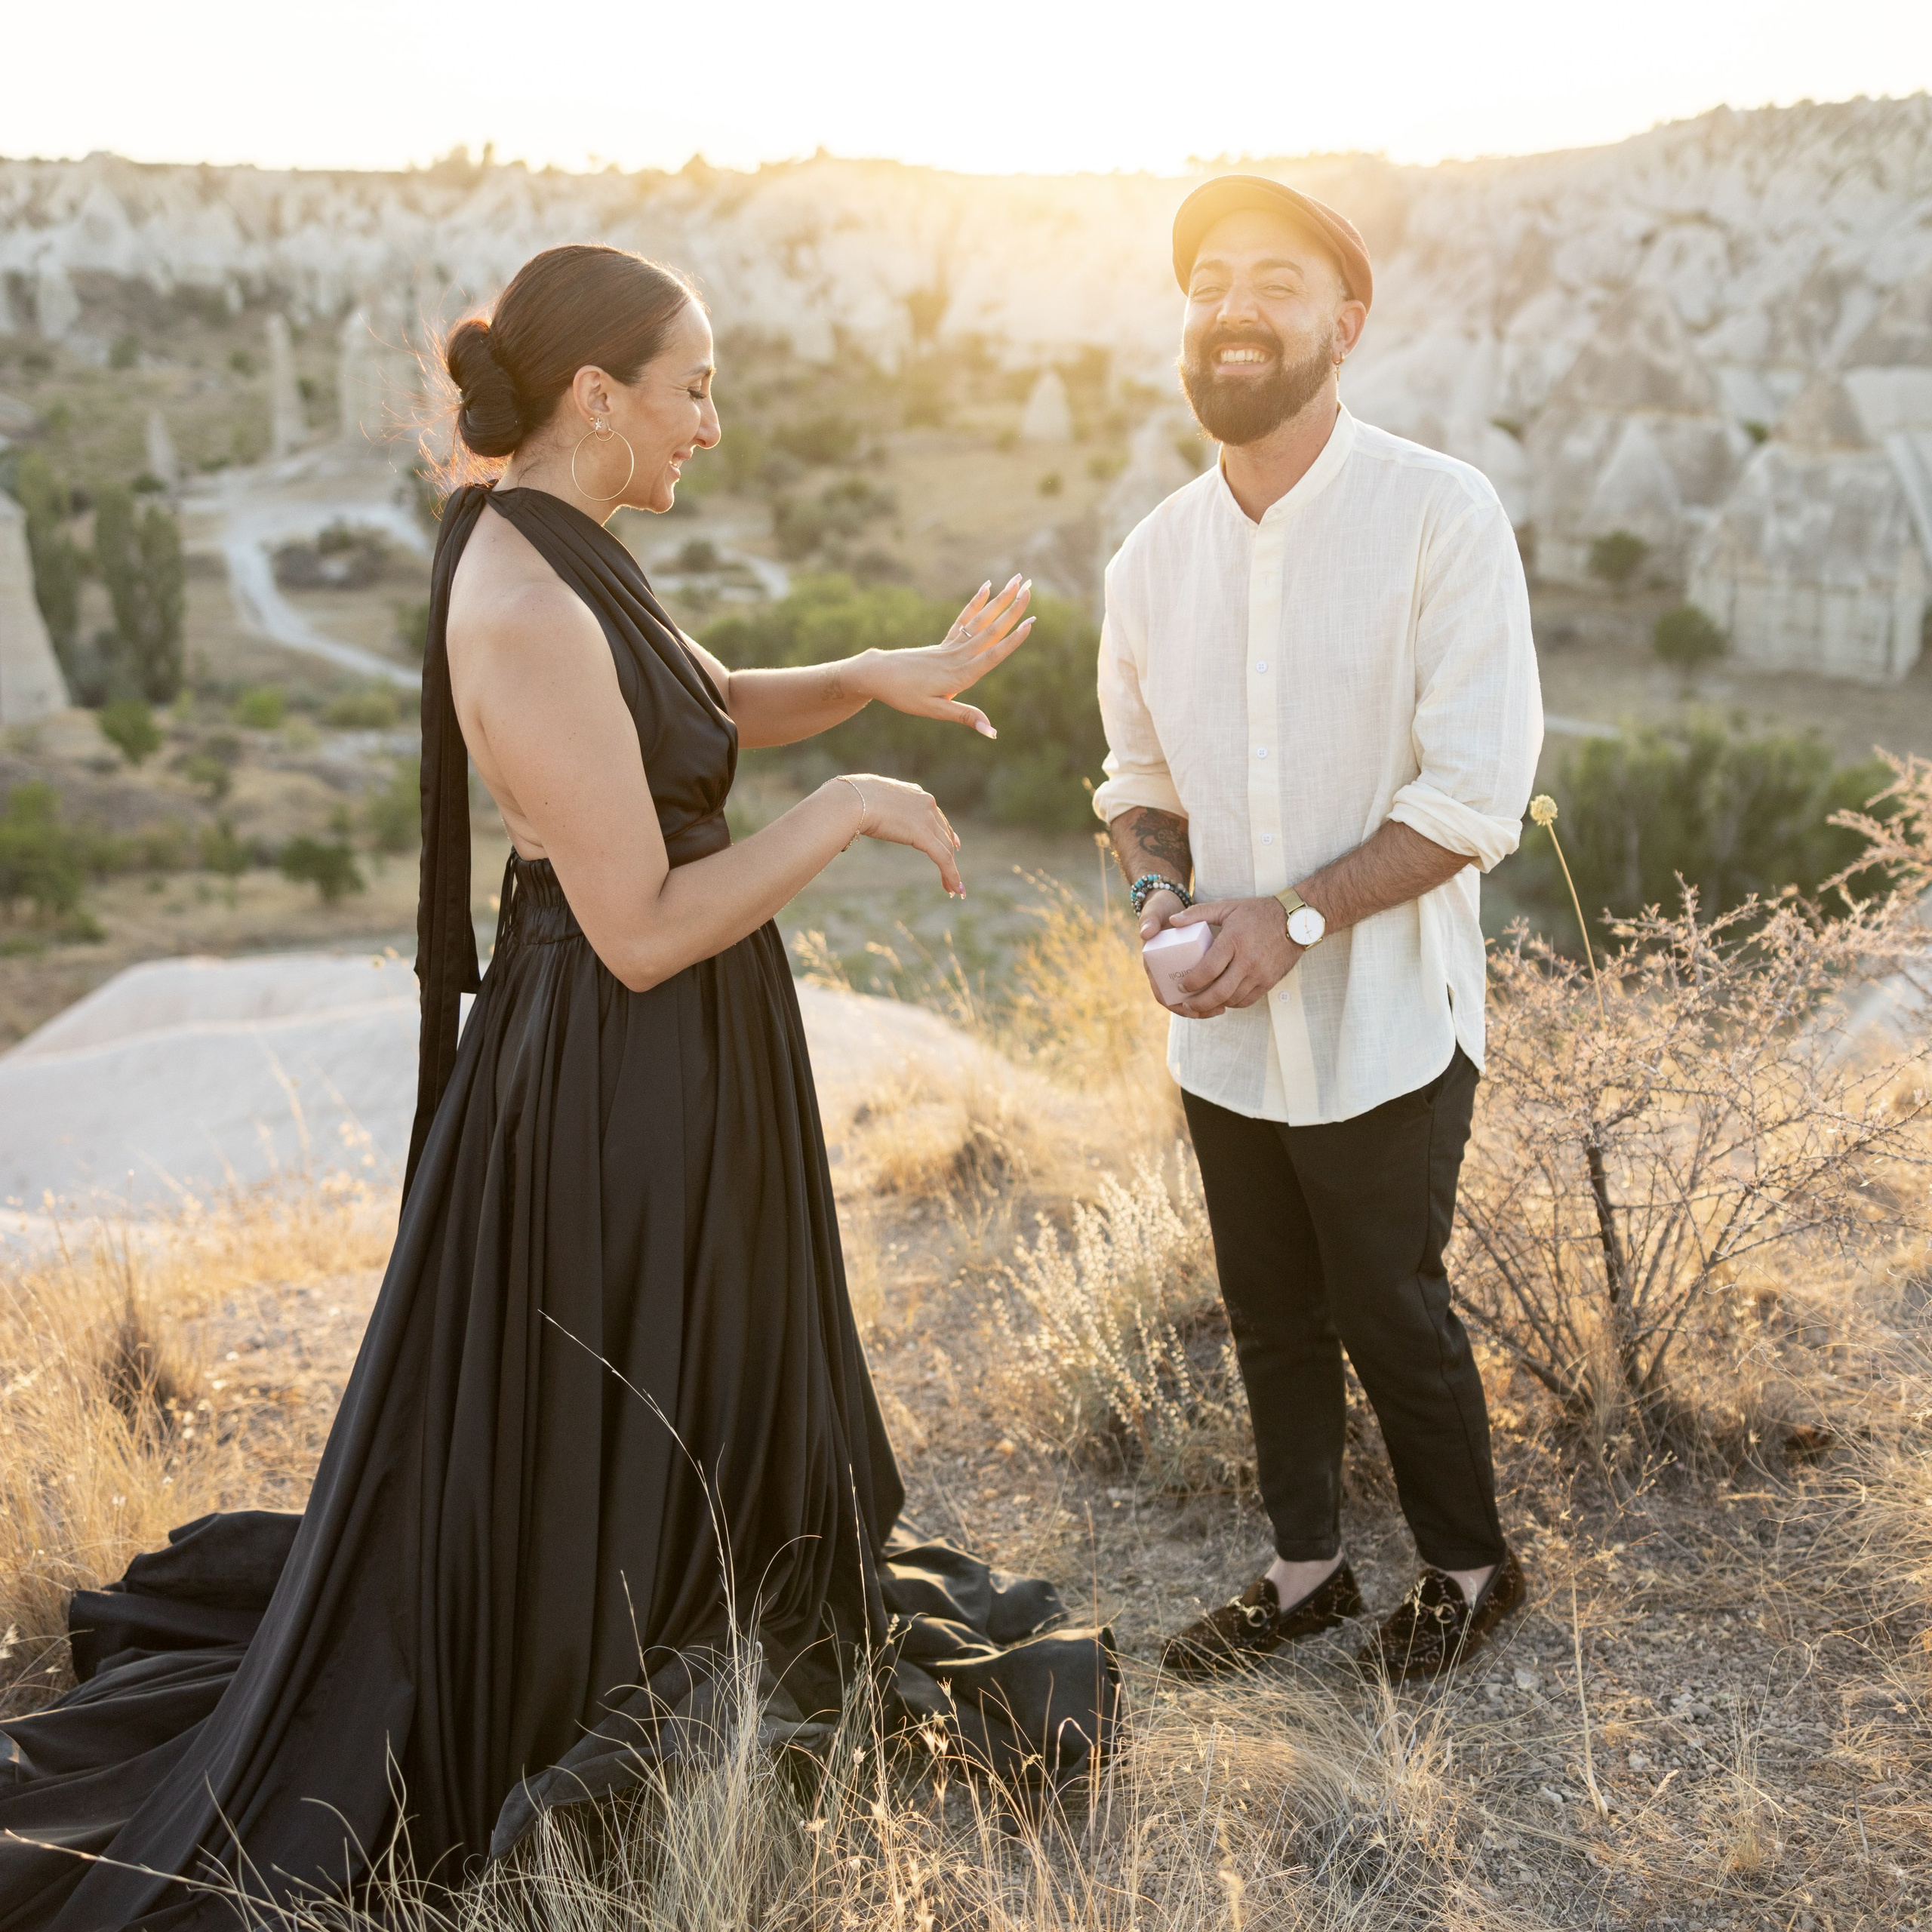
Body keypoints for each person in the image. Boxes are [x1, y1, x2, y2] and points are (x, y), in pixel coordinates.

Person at [0, 245, 1115, 1931]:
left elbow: (699, 707)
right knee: (626, 1396)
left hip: (665, 1058)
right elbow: (644, 926)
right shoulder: (517, 602)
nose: (714, 425)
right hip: (617, 1073)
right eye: (695, 387)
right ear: (596, 394)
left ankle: (688, 1604)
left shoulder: (565, 548)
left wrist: (877, 671)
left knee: (687, 1391)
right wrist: (848, 809)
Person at [1095, 178, 1543, 1682]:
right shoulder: (1149, 556)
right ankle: (1304, 1576)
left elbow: (1475, 792)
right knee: (1268, 1312)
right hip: (1223, 1031)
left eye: (1273, 281)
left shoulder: (1437, 511)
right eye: (1208, 277)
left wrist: (1291, 917)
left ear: (1342, 324)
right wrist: (1162, 902)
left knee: (1388, 1306)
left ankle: (1472, 1571)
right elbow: (1133, 784)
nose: (1233, 305)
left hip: (1386, 1016)